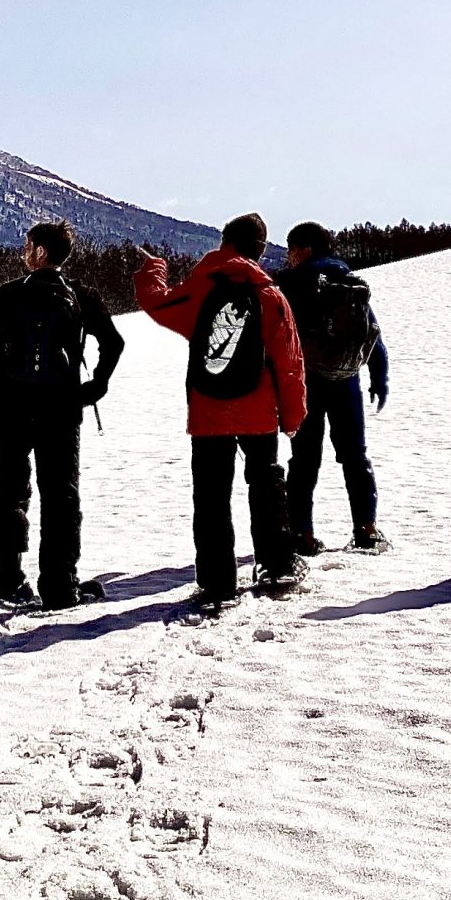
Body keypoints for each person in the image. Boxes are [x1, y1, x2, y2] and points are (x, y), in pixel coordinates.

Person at [136, 213, 309, 606]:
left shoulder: (202, 288)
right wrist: (294, 416)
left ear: (224, 242)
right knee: (266, 486)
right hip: (259, 411)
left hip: (209, 409)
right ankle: (276, 566)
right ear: (261, 251)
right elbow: (289, 361)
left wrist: (153, 269)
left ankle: (217, 582)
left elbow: (157, 301)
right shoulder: (268, 293)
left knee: (211, 495)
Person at [0, 221, 123, 607]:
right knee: (61, 497)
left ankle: (8, 576)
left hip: (11, 410)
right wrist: (95, 387)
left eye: (28, 245)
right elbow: (114, 342)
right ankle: (60, 585)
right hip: (62, 410)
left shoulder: (8, 294)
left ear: (40, 252)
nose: (23, 251)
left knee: (9, 492)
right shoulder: (81, 295)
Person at [276, 221, 392, 554]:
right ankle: (367, 530)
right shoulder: (349, 281)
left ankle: (302, 535)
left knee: (304, 461)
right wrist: (379, 379)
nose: (288, 256)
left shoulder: (293, 285)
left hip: (305, 386)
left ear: (305, 249)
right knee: (355, 457)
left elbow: (278, 338)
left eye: (292, 249)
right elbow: (372, 336)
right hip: (347, 383)